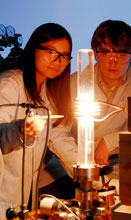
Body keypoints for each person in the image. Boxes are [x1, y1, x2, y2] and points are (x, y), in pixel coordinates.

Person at [0, 23, 78, 219]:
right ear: (34, 48)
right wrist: (19, 130)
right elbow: (1, 131)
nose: (58, 61)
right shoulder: (9, 84)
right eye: (52, 52)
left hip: (21, 197)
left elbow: (58, 138)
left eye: (64, 56)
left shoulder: (46, 94)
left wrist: (88, 172)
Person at [71, 20, 131, 183]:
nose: (113, 61)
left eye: (121, 54)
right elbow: (62, 133)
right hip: (81, 163)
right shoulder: (77, 83)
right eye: (105, 52)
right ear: (95, 54)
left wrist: (110, 141)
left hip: (127, 164)